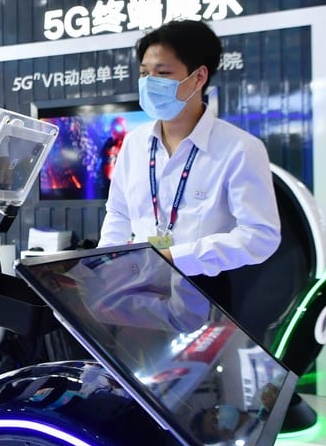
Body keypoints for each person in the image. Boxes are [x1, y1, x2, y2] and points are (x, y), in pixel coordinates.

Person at [97, 20, 281, 310]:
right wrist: (106, 262)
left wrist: (178, 257)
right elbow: (118, 212)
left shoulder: (240, 148)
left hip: (204, 291)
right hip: (136, 284)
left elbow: (260, 236)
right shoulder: (134, 143)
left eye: (163, 73)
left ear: (199, 77)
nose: (149, 83)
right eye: (144, 73)